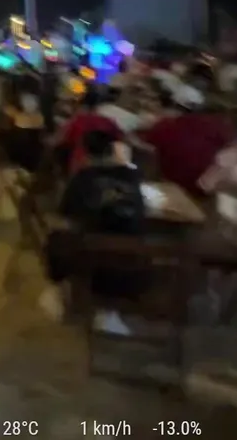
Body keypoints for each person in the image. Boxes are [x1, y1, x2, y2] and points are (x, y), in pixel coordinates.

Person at [41, 130, 147, 331]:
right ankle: (109, 310)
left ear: (86, 151)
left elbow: (65, 213)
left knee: (57, 236)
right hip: (130, 255)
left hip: (90, 251)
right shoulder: (132, 175)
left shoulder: (82, 176)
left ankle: (58, 291)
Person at [53, 85, 123, 175]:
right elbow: (120, 142)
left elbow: (59, 141)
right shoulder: (109, 122)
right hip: (105, 167)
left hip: (81, 165)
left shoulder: (78, 121)